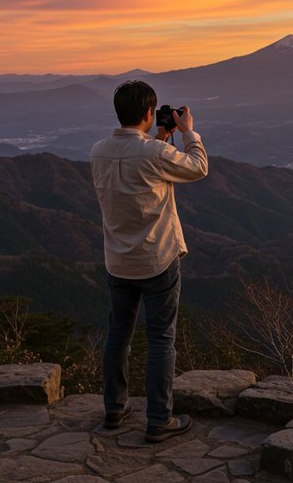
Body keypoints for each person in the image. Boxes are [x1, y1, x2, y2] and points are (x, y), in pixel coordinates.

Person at [90, 80, 208, 442]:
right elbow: (197, 166)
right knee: (160, 340)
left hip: (118, 261)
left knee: (118, 335)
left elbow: (141, 162)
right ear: (146, 113)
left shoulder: (98, 152)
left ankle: (114, 408)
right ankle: (159, 419)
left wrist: (158, 136)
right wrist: (188, 132)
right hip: (158, 259)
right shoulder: (154, 154)